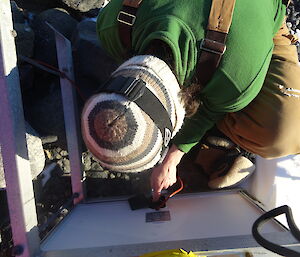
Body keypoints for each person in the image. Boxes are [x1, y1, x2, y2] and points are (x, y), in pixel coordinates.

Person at [81, 0, 300, 202]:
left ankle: (215, 140)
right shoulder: (114, 26)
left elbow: (212, 107)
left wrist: (174, 155)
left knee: (282, 134)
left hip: (255, 14)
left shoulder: (235, 80)